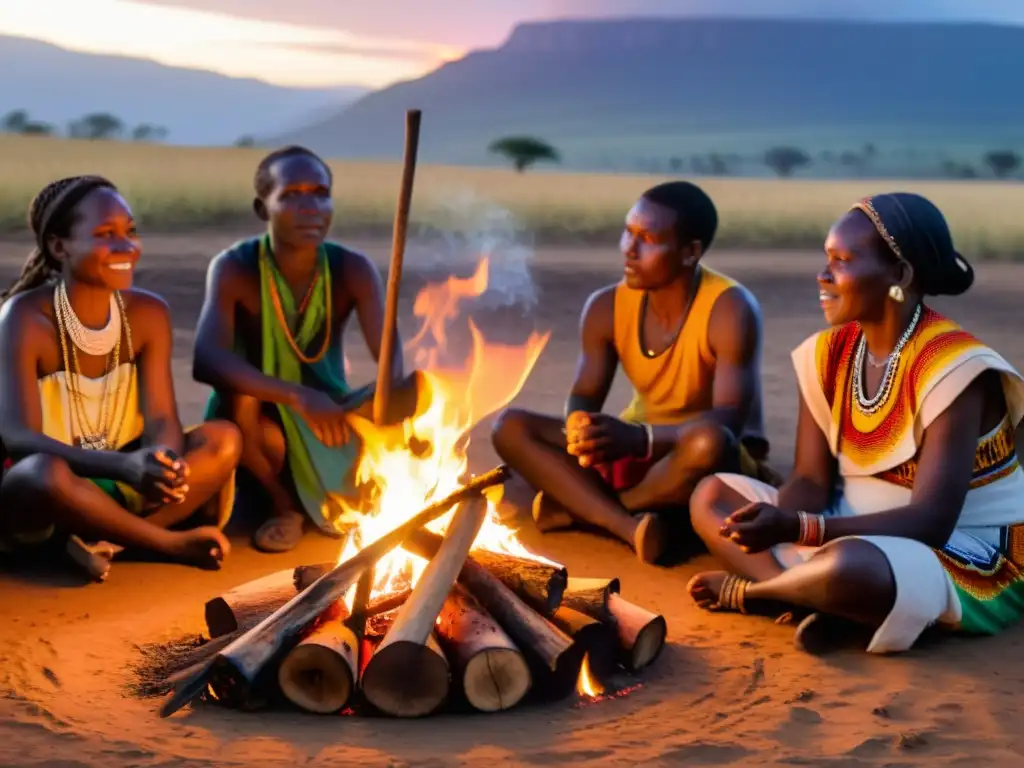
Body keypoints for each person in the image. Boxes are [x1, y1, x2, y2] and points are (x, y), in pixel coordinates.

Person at [686, 191, 1024, 654]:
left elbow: (931, 521)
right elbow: (809, 478)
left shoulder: (955, 369)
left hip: (960, 549)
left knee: (850, 568)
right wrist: (780, 516)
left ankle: (763, 593)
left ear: (899, 276)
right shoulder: (825, 354)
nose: (823, 276)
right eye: (827, 258)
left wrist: (797, 530)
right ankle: (810, 596)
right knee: (713, 496)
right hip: (847, 525)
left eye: (841, 260)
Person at [491, 180, 778, 565]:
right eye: (628, 232)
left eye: (647, 238)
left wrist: (640, 440)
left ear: (690, 251)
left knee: (709, 442)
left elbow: (728, 418)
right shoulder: (605, 306)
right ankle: (628, 526)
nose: (629, 248)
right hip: (631, 444)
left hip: (692, 455)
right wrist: (580, 426)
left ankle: (584, 509)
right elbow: (585, 394)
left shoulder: (730, 308)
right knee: (511, 426)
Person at [0, 175, 242, 579]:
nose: (125, 246)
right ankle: (164, 543)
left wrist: (163, 464)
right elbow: (19, 439)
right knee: (39, 473)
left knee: (223, 439)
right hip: (58, 491)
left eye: (130, 232)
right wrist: (122, 466)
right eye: (104, 234)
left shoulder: (148, 314)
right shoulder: (25, 318)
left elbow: (163, 419)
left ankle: (100, 542)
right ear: (60, 247)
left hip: (127, 480)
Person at [193, 146, 421, 553]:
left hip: (330, 411)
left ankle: (393, 491)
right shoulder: (235, 267)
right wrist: (298, 395)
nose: (310, 206)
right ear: (262, 207)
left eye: (320, 192)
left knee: (418, 387)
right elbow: (207, 359)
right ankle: (285, 507)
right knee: (240, 397)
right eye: (291, 194)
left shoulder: (352, 268)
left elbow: (390, 356)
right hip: (261, 425)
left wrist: (390, 395)